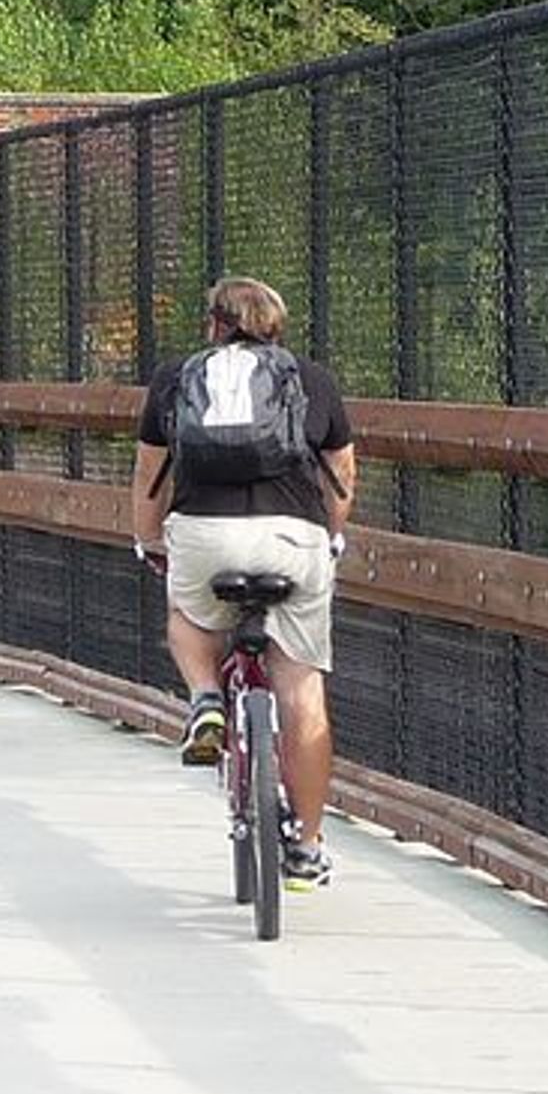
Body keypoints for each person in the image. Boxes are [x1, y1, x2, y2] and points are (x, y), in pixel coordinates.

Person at [129, 276, 358, 889]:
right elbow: (342, 473)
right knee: (302, 690)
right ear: (277, 328)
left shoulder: (177, 378)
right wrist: (330, 537)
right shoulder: (311, 379)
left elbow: (151, 472)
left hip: (205, 535)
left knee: (189, 619)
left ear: (213, 325)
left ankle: (206, 697)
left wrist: (149, 541)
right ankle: (307, 847)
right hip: (293, 539)